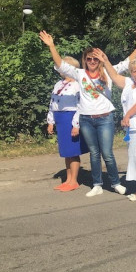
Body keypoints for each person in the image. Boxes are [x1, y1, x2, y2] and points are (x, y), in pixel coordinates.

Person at [39, 31, 136, 197]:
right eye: (89, 59)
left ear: (100, 60)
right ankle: (97, 184)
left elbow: (125, 63)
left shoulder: (107, 72)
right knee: (94, 154)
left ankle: (116, 183)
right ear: (85, 60)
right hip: (86, 120)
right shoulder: (79, 74)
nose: (92, 61)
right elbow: (61, 65)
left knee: (107, 153)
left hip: (105, 118)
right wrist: (51, 46)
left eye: (95, 59)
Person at [94, 49, 136, 201]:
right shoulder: (129, 83)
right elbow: (114, 76)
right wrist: (105, 61)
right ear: (131, 72)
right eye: (134, 71)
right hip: (133, 127)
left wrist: (127, 115)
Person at [46, 56, 88, 192]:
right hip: (60, 119)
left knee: (72, 151)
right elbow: (53, 103)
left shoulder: (77, 84)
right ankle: (67, 180)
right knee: (66, 152)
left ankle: (74, 181)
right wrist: (51, 121)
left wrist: (76, 124)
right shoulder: (58, 84)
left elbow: (80, 105)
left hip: (70, 118)